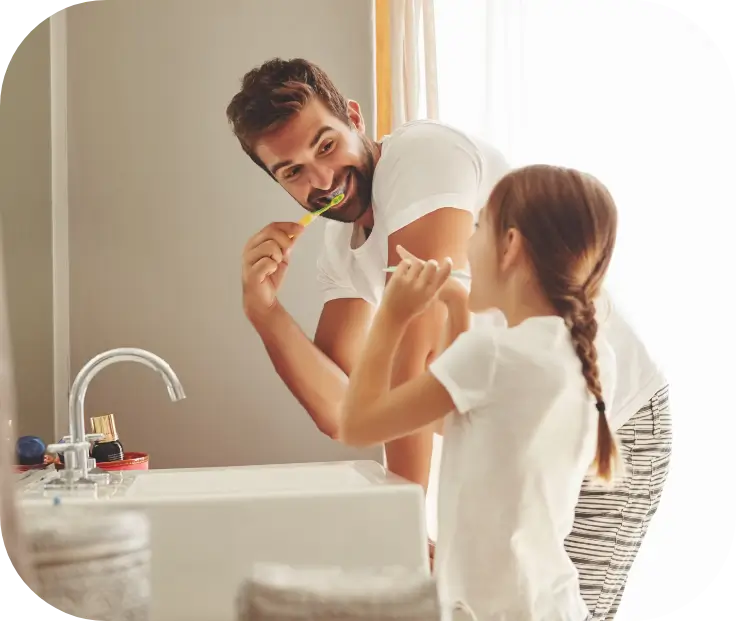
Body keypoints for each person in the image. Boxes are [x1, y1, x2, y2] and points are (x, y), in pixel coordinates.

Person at [227, 58, 671, 620]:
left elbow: (417, 360)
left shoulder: (420, 159)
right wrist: (263, 310)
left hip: (612, 415)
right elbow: (349, 412)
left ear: (355, 119)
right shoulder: (342, 250)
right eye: (291, 171)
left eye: (325, 145)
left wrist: (405, 542)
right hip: (518, 426)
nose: (321, 180)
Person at [338, 163, 619, 620]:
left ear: (510, 246)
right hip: (550, 604)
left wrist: (391, 315)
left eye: (478, 226)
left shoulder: (492, 354)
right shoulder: (589, 352)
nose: (467, 244)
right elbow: (462, 421)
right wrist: (451, 303)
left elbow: (356, 424)